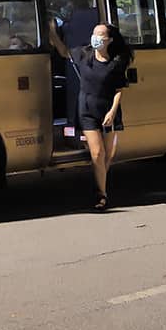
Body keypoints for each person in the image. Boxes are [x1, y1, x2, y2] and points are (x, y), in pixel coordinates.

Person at [49, 20, 132, 211]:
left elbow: (120, 89)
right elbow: (63, 51)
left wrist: (112, 111)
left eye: (100, 35)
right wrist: (52, 32)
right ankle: (101, 194)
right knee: (97, 153)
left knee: (108, 154)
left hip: (108, 111)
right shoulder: (84, 54)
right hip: (86, 110)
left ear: (109, 40)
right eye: (94, 33)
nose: (95, 38)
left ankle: (99, 176)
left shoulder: (116, 62)